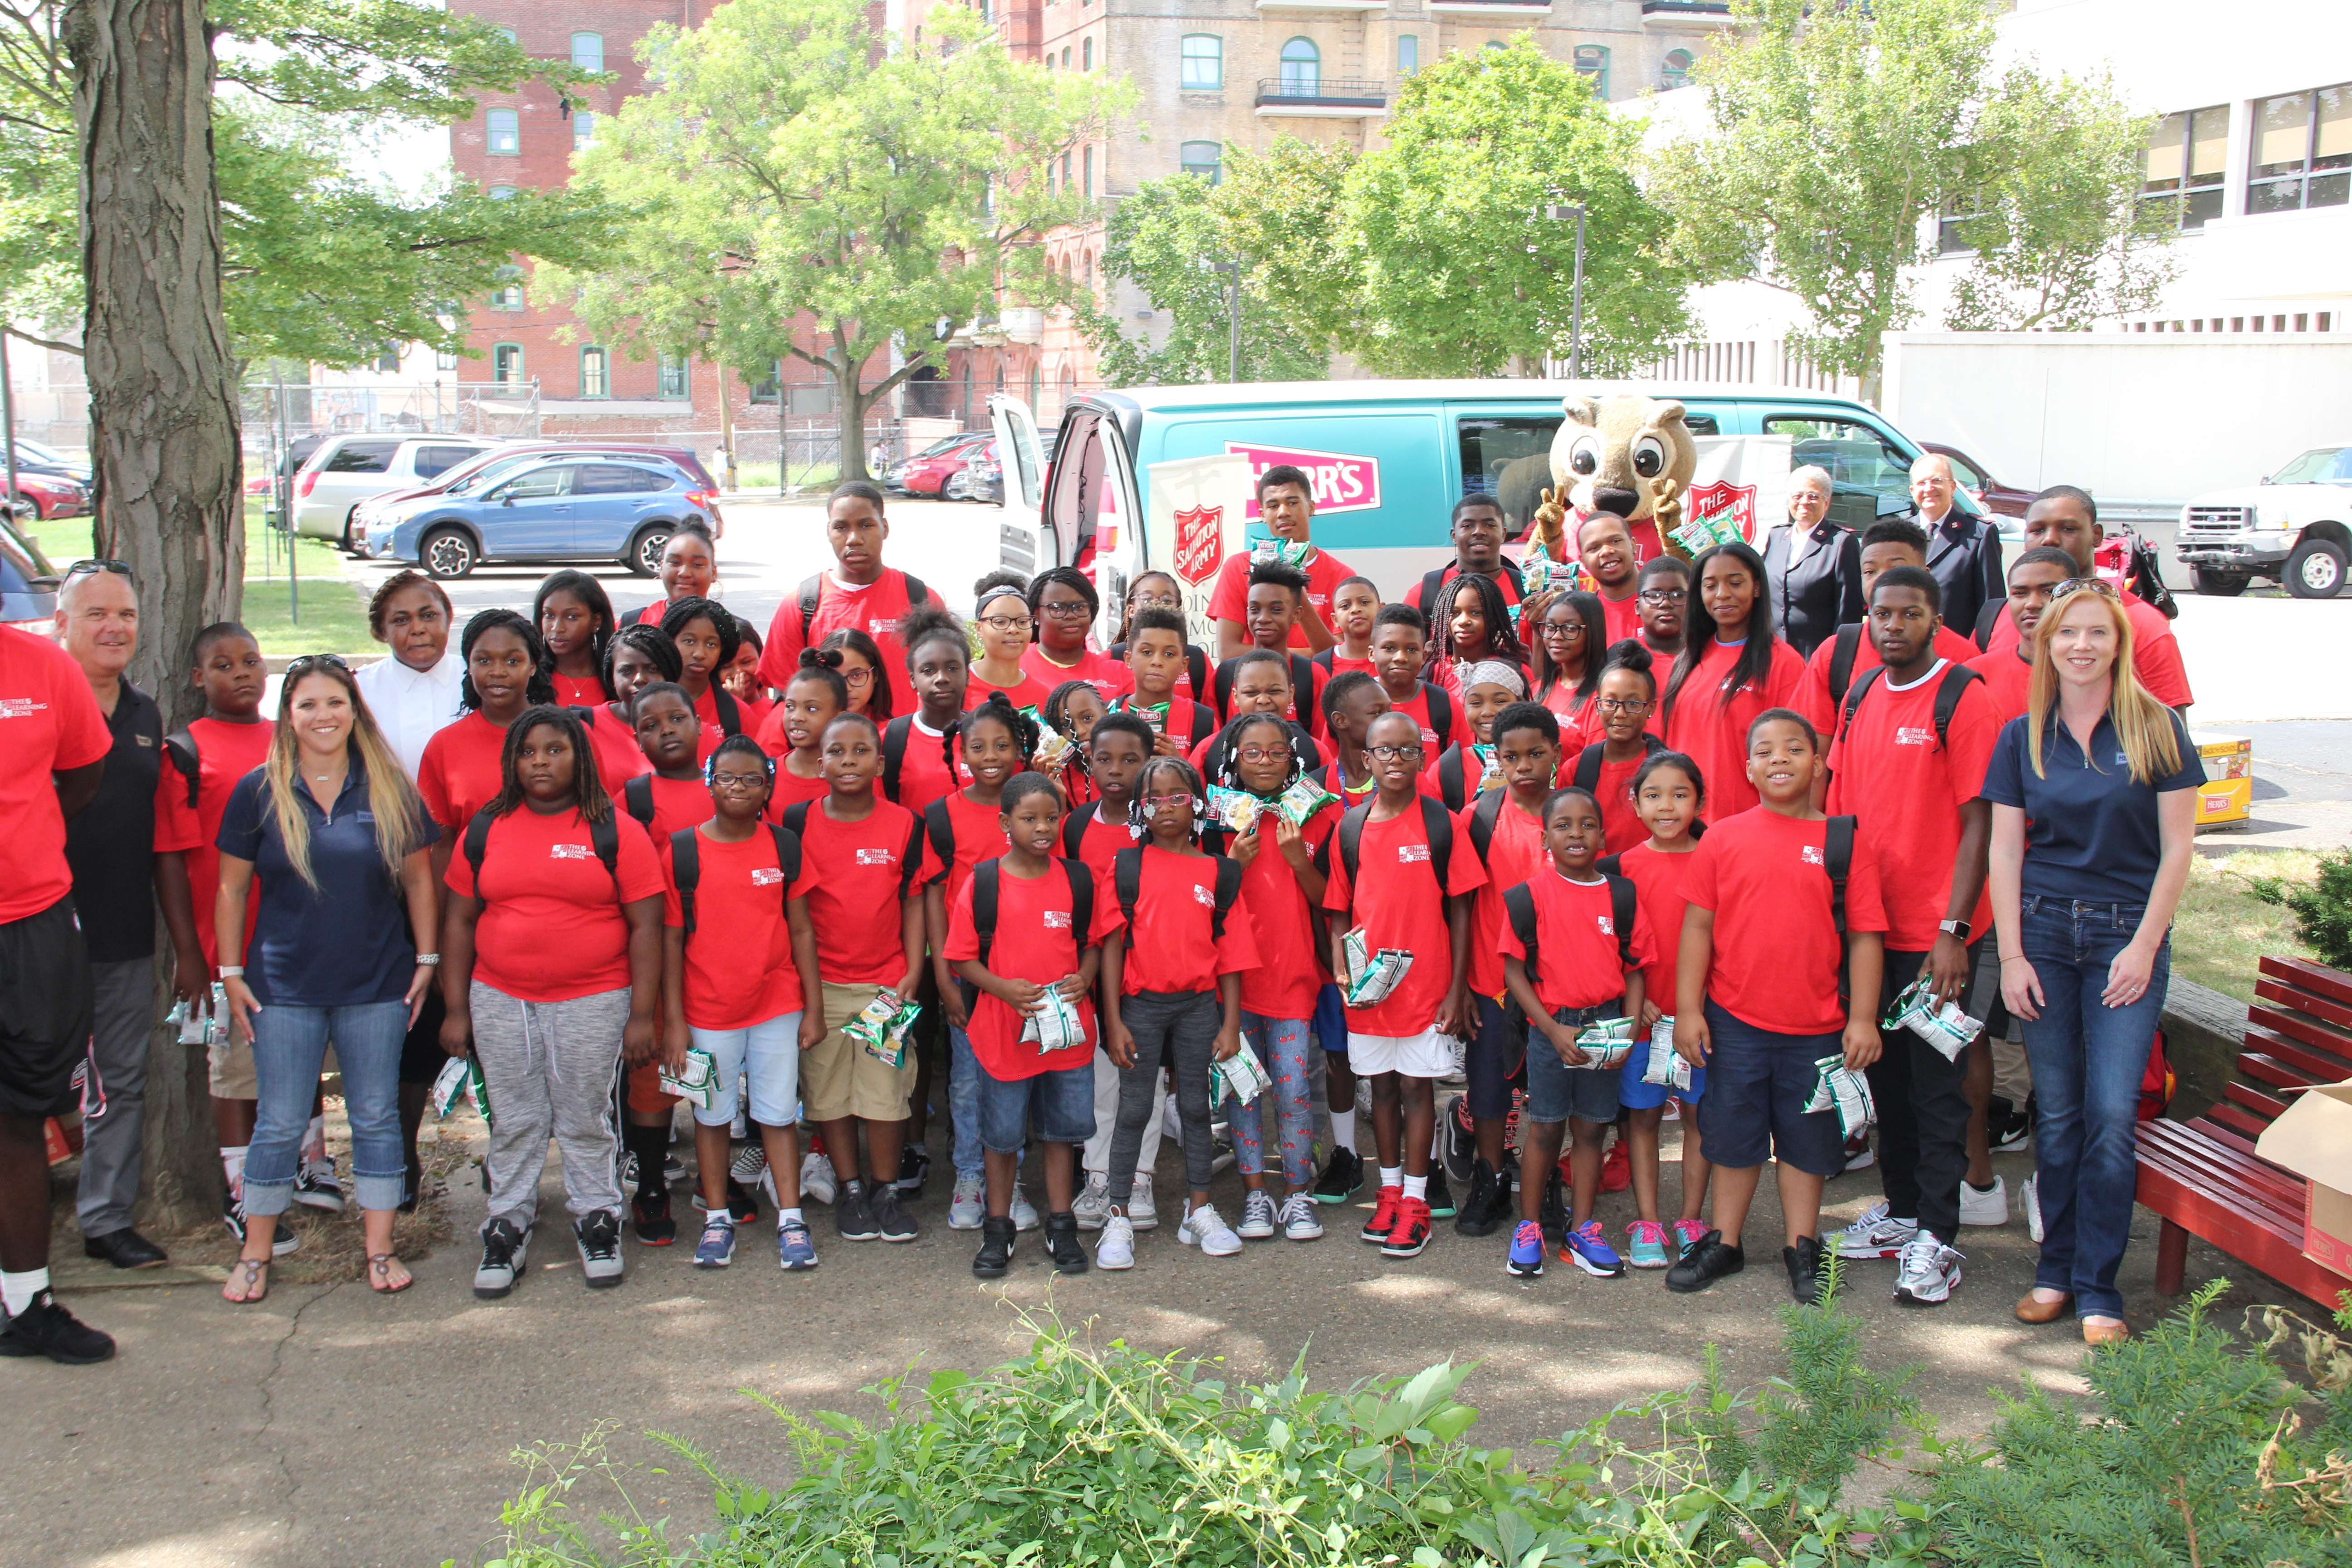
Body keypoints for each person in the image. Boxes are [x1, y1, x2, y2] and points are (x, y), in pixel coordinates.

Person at [1985, 579, 2201, 1345]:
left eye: (2097, 633)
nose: (2081, 645)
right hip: (2042, 937)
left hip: (2122, 940)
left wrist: (2143, 946)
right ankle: (2055, 1272)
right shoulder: (2021, 736)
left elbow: (2178, 848)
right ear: (2045, 644)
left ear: (2118, 644)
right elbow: (2004, 850)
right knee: (2058, 1113)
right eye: (2067, 632)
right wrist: (2011, 954)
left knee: (2111, 1112)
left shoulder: (2156, 727)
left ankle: (2098, 1288)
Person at [215, 657, 439, 1303]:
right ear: (288, 716)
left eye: (335, 703)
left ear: (354, 711)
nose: (323, 716)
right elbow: (231, 890)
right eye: (308, 704)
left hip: (377, 983)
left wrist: (426, 961)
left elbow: (420, 879)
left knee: (375, 1116)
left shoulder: (389, 787)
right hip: (283, 988)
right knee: (280, 1122)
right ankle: (255, 1253)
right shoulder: (258, 790)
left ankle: (380, 1249)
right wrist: (231, 973)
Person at [441, 706, 666, 1298]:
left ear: (580, 757)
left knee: (584, 1115)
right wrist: (457, 1008)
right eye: (528, 752)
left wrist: (642, 1015)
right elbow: (459, 920)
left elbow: (647, 926)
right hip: (501, 995)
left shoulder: (615, 830)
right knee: (515, 1116)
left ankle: (597, 1217)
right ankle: (507, 1221)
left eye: (554, 750)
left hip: (594, 996)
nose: (540, 762)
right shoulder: (486, 827)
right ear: (512, 761)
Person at [1822, 565, 1999, 1308]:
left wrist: (1953, 930)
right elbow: (1840, 809)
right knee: (1885, 1081)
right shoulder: (1861, 692)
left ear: (1935, 621)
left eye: (1908, 614)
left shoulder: (1962, 695)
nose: (1892, 626)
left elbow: (1980, 822)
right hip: (1871, 930)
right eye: (1881, 614)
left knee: (1935, 1088)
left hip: (1936, 937)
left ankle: (1938, 1234)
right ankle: (1899, 1213)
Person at [1666, 710, 1887, 1303]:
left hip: (1818, 1029)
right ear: (1748, 769)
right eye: (1765, 751)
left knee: (1806, 1142)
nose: (1780, 759)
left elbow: (1865, 937)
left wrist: (1862, 1018)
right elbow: (1698, 928)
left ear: (1818, 764)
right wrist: (1689, 1009)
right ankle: (1726, 1241)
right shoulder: (1724, 838)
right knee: (1733, 1136)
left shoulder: (1844, 842)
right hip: (1735, 1022)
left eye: (1795, 748)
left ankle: (1802, 1247)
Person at [56, 562, 200, 1270]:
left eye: (126, 615)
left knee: (119, 1078)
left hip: (121, 931)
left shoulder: (145, 714)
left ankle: (105, 1219)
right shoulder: (33, 705)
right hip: (34, 931)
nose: (115, 627)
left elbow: (162, 838)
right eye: (97, 615)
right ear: (62, 624)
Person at [1319, 711, 1486, 1261]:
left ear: (1422, 756)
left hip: (1426, 991)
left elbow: (1461, 910)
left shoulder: (1442, 824)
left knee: (1417, 1090)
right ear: (1365, 758)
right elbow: (1338, 910)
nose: (1396, 760)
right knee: (1382, 1090)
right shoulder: (1351, 827)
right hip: (1370, 994)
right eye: (1385, 751)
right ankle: (1389, 1193)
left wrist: (1457, 988)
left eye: (1408, 750)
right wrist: (1343, 968)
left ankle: (1417, 1201)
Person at [662, 736, 824, 1272]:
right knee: (712, 1117)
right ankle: (716, 1220)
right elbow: (670, 942)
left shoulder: (783, 847)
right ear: (709, 784)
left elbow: (801, 929)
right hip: (707, 1012)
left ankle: (791, 1220)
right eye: (727, 778)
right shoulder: (682, 851)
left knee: (777, 1115)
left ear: (767, 788)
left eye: (752, 779)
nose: (739, 788)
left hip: (777, 1005)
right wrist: (674, 1022)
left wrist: (813, 1007)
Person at [1093, 756, 1260, 1268]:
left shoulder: (1219, 871)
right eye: (1154, 799)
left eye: (1178, 797)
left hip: (1198, 1007)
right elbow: (1111, 948)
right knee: (1134, 1110)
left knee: (1195, 1109)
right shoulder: (1127, 867)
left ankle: (1199, 1210)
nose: (1166, 807)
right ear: (1139, 810)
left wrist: (1231, 1024)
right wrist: (1113, 1020)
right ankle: (1118, 1214)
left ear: (1198, 806)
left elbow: (1230, 954)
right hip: (1140, 1007)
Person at [154, 622, 292, 1243]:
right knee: (233, 1072)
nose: (241, 673)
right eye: (224, 664)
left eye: (251, 661)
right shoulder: (185, 752)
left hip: (291, 942)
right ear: (197, 678)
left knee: (294, 1062)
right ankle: (243, 1194)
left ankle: (303, 1170)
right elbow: (170, 857)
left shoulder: (289, 738)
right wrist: (188, 952)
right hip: (223, 951)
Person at [0, 617, 114, 1362]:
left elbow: (82, 774)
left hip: (32, 922)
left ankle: (25, 1305)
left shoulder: (44, 666)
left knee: (18, 1113)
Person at [946, 771, 1101, 1277]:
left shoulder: (1077, 879)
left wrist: (1085, 977)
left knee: (1061, 1134)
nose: (1042, 828)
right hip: (1002, 1037)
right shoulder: (984, 882)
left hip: (1066, 1039)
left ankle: (1062, 1226)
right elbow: (961, 957)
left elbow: (1094, 943)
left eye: (1052, 818)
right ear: (1004, 823)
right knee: (1001, 1138)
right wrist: (1002, 988)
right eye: (1029, 818)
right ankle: (998, 1229)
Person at [1498, 786, 1656, 1280]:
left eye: (1587, 824)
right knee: (1546, 1128)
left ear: (1603, 835)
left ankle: (1583, 1230)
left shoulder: (1621, 895)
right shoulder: (1528, 897)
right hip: (1551, 1028)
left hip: (1606, 1026)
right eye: (1563, 825)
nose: (1576, 834)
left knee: (1591, 1128)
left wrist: (1629, 1030)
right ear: (1545, 837)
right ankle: (1529, 1227)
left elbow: (1635, 969)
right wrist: (1551, 1029)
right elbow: (1514, 972)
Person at [781, 712, 926, 1245]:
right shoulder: (797, 823)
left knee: (886, 1092)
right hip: (821, 988)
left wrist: (913, 971)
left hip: (886, 987)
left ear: (880, 763)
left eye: (861, 751)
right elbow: (794, 912)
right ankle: (850, 1187)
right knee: (829, 1093)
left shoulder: (905, 824)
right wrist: (807, 993)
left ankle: (885, 1190)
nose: (848, 761)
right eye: (837, 752)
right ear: (819, 764)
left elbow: (913, 900)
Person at [1211, 712, 1340, 1244]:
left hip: (1292, 978)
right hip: (1233, 984)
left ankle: (1298, 1192)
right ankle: (1255, 1194)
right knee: (1242, 1091)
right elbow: (1200, 903)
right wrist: (1233, 865)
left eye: (1276, 752)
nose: (1265, 762)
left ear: (1293, 758)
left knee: (1292, 1091)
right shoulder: (1217, 819)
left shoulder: (1313, 816)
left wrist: (1298, 861)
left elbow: (1330, 901)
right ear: (1234, 759)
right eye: (1252, 752)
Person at [1452, 701, 1568, 1238]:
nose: (1524, 766)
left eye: (1536, 754)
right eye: (1511, 756)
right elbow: (1463, 904)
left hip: (1559, 987)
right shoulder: (1479, 817)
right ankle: (1491, 1177)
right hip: (1492, 982)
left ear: (1556, 753)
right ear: (1495, 758)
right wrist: (1461, 986)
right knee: (1489, 1091)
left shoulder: (1571, 814)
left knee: (1550, 1092)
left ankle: (1547, 1181)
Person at [921, 693, 1033, 1232]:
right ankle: (969, 1176)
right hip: (967, 975)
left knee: (1017, 1080)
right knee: (968, 1081)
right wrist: (944, 980)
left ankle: (1012, 1180)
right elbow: (933, 899)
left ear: (1020, 749)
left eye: (1002, 745)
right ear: (960, 752)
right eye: (978, 747)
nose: (990, 756)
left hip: (1025, 973)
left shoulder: (1035, 804)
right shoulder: (942, 816)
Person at [613, 679, 717, 1243]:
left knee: (715, 1068)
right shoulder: (632, 799)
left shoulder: (729, 782)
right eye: (650, 726)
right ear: (637, 739)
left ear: (700, 724)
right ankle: (651, 1184)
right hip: (659, 959)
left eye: (677, 718)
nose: (667, 731)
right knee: (653, 1077)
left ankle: (716, 1179)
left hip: (720, 956)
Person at [1059, 711, 1168, 1230]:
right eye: (1104, 759)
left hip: (1150, 976)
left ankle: (1140, 1178)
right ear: (1090, 762)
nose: (1117, 770)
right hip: (1093, 973)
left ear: (1150, 762)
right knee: (1101, 1082)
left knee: (1146, 1083)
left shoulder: (1161, 824)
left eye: (1131, 759)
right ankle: (1100, 1176)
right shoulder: (1076, 824)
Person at [1612, 751, 1712, 1269]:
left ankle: (1692, 1218)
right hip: (1644, 1022)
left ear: (1700, 801)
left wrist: (1704, 1004)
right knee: (1644, 1118)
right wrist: (1637, 1001)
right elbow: (1612, 946)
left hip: (1701, 1021)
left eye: (1680, 794)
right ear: (1635, 803)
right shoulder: (1622, 869)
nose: (1667, 806)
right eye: (1653, 795)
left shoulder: (1716, 859)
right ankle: (1648, 1220)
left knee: (1698, 1117)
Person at [1979, 487, 2193, 712]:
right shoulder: (1998, 616)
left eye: (2068, 529)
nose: (2050, 539)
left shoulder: (2142, 622)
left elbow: (2171, 724)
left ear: (2096, 535)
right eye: (2038, 530)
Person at [760, 480, 941, 713]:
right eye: (841, 527)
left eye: (866, 525)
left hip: (903, 736)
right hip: (826, 737)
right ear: (829, 532)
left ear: (885, 528)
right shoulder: (800, 605)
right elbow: (785, 695)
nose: (854, 538)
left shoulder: (921, 599)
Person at [1660, 543, 1805, 824]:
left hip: (1744, 825)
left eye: (1735, 583)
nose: (1722, 594)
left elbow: (1794, 761)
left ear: (1757, 587)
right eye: (1710, 586)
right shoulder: (1689, 658)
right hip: (1682, 826)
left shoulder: (1784, 663)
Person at [1797, 518, 1983, 735]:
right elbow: (1813, 741)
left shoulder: (1965, 657)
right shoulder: (1835, 652)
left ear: (1926, 575)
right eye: (1870, 571)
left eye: (1897, 569)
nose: (1881, 580)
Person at [1205, 466, 1351, 657]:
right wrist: (1302, 657)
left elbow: (1340, 657)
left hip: (1316, 679)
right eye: (1273, 506)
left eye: (1292, 502)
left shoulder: (1342, 576)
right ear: (1262, 514)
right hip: (1256, 676)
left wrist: (1301, 600)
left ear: (1311, 507)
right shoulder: (1238, 567)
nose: (1283, 512)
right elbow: (1228, 652)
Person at [357, 572, 466, 777]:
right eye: (401, 620)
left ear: (449, 618)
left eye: (429, 616)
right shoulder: (359, 689)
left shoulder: (477, 678)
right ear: (382, 631)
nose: (418, 629)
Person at [1565, 643, 1667, 855]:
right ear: (1597, 706)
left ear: (1650, 708)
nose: (1620, 714)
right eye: (1610, 702)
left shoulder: (1668, 771)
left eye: (1633, 703)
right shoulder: (1576, 770)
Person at [1214, 560, 1329, 734]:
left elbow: (1322, 744)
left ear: (1296, 615)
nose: (1263, 618)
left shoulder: (1313, 675)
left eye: (1276, 610)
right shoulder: (1225, 674)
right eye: (1255, 609)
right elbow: (1215, 741)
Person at [1760, 466, 1862, 658]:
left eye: (1813, 496)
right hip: (1772, 654)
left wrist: (1838, 658)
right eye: (1797, 496)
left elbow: (1848, 612)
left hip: (1815, 656)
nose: (1804, 502)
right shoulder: (1777, 536)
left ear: (1827, 502)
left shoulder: (1840, 543)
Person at [882, 606, 974, 816]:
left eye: (952, 668)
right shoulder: (890, 740)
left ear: (968, 675)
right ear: (913, 679)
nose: (941, 678)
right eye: (928, 670)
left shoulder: (988, 734)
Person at [1907, 452, 2003, 639]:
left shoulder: (1978, 534)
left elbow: (1991, 605)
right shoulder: (1900, 534)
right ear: (1912, 490)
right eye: (1922, 483)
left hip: (1956, 648)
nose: (1929, 488)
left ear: (1952, 487)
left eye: (1937, 480)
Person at [1408, 495, 1530, 624]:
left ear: (1503, 534)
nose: (1479, 532)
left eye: (1489, 525)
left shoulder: (1527, 588)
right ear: (1454, 536)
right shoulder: (1425, 593)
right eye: (1468, 525)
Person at [1421, 660, 1526, 811]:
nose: (1488, 712)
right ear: (1464, 708)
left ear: (1521, 704)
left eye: (1499, 701)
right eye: (1476, 703)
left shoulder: (1538, 762)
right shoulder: (1446, 769)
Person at [1116, 607, 1218, 756]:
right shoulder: (1109, 713)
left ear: (1184, 665)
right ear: (1129, 659)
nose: (1157, 662)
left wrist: (1179, 765)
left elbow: (1213, 771)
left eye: (1169, 654)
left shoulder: (1202, 720)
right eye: (1147, 652)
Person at [754, 654, 847, 813]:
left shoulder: (852, 775)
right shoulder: (768, 773)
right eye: (790, 706)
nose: (796, 717)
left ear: (839, 717)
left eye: (811, 709)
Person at [1021, 567, 1129, 701]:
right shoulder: (1013, 664)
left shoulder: (1119, 674)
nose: (1071, 616)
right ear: (1036, 614)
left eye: (1079, 607)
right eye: (1057, 608)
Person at [662, 595, 761, 738]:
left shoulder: (739, 715)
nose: (700, 654)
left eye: (711, 644)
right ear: (671, 641)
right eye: (689, 641)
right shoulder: (647, 704)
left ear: (722, 650)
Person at [1367, 604, 1456, 757]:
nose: (1401, 658)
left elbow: (1464, 763)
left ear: (1424, 656)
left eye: (1411, 650)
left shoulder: (1445, 704)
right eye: (1389, 648)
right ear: (1372, 653)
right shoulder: (1356, 704)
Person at [1430, 571, 1527, 699]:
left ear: (1493, 619)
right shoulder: (1432, 672)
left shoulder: (1514, 669)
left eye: (1476, 613)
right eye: (1454, 613)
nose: (1464, 621)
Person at [967, 570, 1051, 710]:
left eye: (1023, 621)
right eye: (1000, 622)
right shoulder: (958, 687)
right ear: (979, 628)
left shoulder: (1043, 695)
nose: (1013, 629)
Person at [1530, 590, 1606, 741]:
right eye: (1550, 627)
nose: (1557, 636)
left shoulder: (1603, 697)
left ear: (1593, 631)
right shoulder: (1537, 688)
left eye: (1570, 628)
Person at [536, 570, 618, 706]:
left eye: (572, 617)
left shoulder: (619, 678)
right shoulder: (530, 679)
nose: (557, 628)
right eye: (549, 615)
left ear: (596, 621)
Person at [628, 519, 720, 627]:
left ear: (713, 573)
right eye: (675, 563)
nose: (684, 573)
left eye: (697, 564)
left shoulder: (729, 630)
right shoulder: (632, 624)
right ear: (661, 568)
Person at [1576, 512, 1647, 648]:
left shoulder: (1666, 603)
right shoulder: (1582, 617)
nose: (1606, 551)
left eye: (1615, 541)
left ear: (1633, 545)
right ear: (1583, 561)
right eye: (1594, 548)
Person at [818, 627, 892, 723]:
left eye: (856, 675)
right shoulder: (809, 729)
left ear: (875, 675)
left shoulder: (892, 730)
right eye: (835, 677)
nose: (846, 688)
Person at [1316, 575, 1381, 678]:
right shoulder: (1321, 664)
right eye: (1345, 606)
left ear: (1381, 610)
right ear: (1335, 620)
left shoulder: (1394, 658)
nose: (1355, 610)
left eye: (1364, 602)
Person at [1635, 555, 1690, 659]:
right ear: (1638, 607)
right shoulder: (1620, 659)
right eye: (1654, 596)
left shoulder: (1711, 656)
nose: (1666, 604)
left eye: (1678, 595)